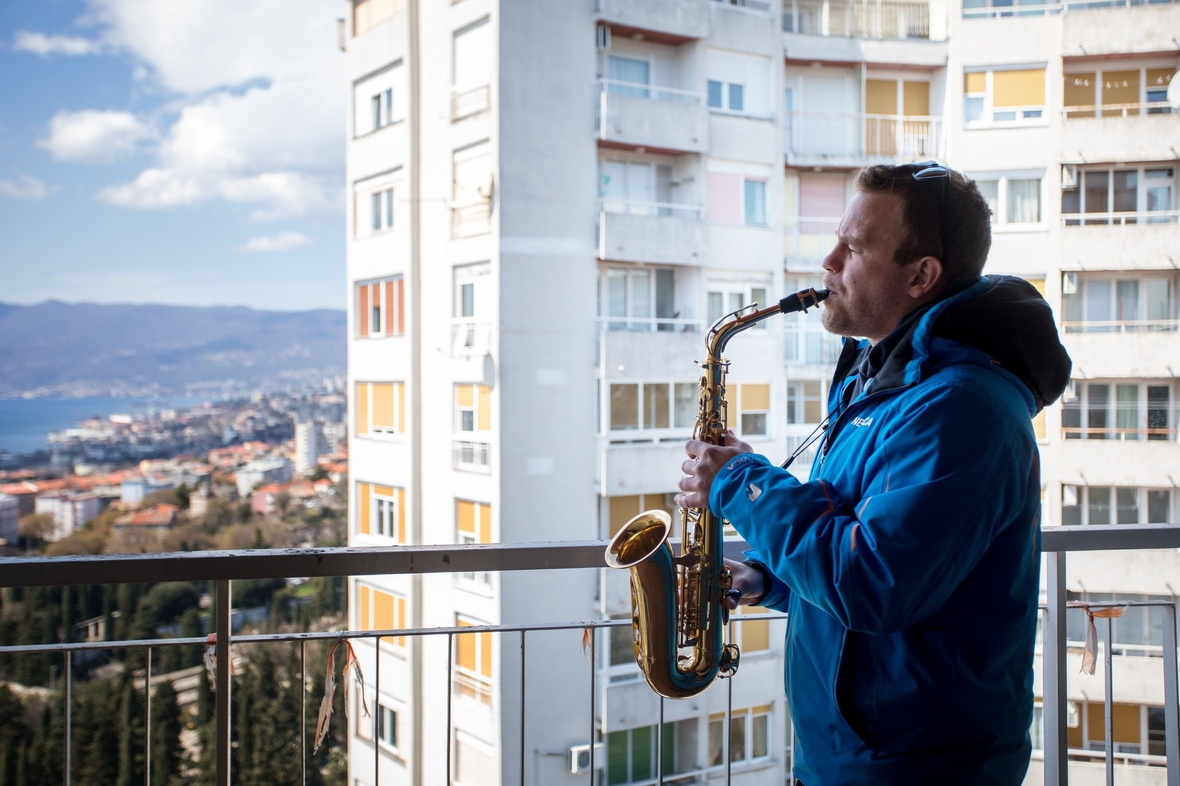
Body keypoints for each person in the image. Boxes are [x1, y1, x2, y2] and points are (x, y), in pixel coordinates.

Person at [676, 163, 1071, 785]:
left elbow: (875, 583)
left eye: (854, 247)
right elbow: (870, 551)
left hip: (915, 769)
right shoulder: (880, 383)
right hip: (852, 756)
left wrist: (739, 484)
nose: (828, 261)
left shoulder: (960, 408)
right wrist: (767, 578)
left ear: (921, 276)